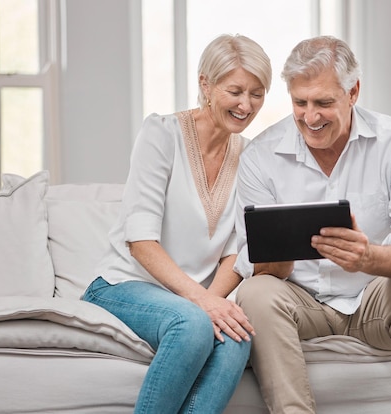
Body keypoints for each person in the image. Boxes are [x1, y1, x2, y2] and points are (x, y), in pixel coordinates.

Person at [234, 35, 391, 414]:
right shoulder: (260, 156)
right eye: (300, 102)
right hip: (300, 301)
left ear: (354, 92)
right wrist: (277, 258)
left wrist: (368, 257)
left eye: (324, 103)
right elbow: (251, 258)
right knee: (256, 293)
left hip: (372, 297)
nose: (310, 117)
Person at [82, 34, 272, 414]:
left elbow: (238, 250)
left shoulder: (252, 156)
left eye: (257, 93)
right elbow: (140, 240)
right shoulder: (161, 133)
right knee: (193, 324)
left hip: (193, 298)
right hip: (124, 285)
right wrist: (203, 303)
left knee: (237, 336)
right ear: (206, 84)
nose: (246, 105)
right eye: (235, 90)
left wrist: (214, 302)